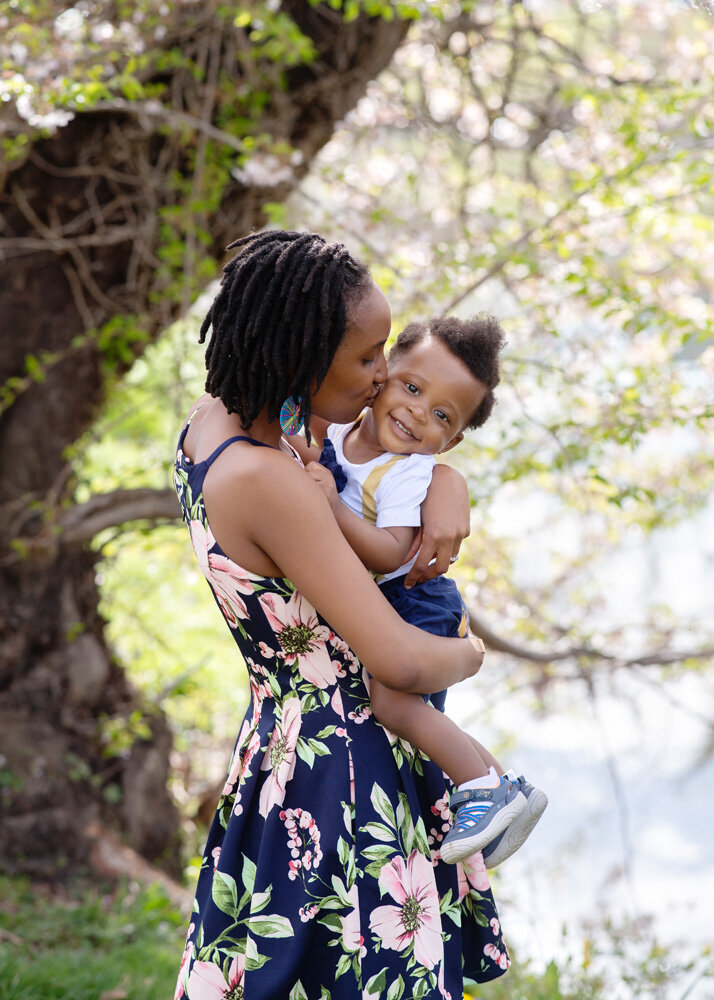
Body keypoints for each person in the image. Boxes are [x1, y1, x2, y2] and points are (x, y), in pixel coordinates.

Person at [173, 230, 510, 1000]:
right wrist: (469, 652)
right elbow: (399, 661)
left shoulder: (218, 426)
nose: (384, 373)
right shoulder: (271, 483)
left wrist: (441, 479)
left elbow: (353, 459)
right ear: (304, 354)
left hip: (277, 754)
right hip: (343, 777)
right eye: (367, 357)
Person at [303, 317, 547, 869]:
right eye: (412, 388)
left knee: (394, 704)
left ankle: (480, 786)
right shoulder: (338, 432)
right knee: (411, 714)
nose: (417, 412)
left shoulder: (409, 472)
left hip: (419, 598)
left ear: (452, 440)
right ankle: (507, 787)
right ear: (383, 375)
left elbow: (391, 552)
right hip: (396, 599)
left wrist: (330, 506)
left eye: (441, 414)